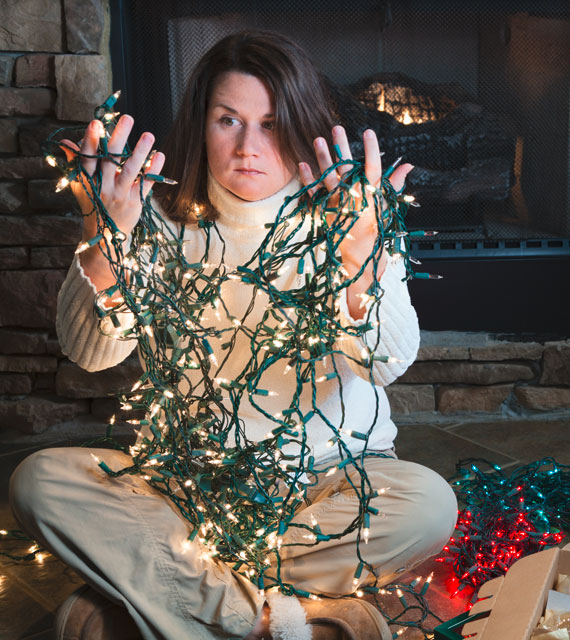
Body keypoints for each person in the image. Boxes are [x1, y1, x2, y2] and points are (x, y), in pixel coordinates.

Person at [8, 31, 458, 640]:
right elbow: (92, 354)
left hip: (329, 481)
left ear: (301, 127)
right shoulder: (153, 218)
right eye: (229, 120)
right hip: (184, 487)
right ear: (202, 123)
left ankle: (156, 597)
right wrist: (105, 240)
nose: (249, 147)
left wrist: (360, 265)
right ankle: (281, 621)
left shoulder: (351, 215)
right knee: (39, 483)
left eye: (271, 124)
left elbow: (387, 363)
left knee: (429, 506)